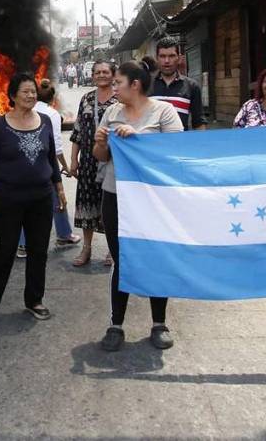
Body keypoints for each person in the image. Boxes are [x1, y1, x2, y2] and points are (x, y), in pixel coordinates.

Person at [93, 60, 184, 350]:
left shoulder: (163, 111)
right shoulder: (111, 112)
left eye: (118, 82)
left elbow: (175, 153)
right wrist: (100, 142)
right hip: (115, 195)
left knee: (155, 257)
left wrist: (139, 140)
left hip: (153, 199)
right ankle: (116, 325)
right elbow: (100, 157)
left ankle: (159, 323)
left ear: (135, 84)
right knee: (122, 260)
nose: (114, 87)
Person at [0, 73, 66, 322]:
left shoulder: (46, 121)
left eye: (33, 91)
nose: (31, 95)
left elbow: (51, 161)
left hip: (41, 197)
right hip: (8, 198)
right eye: (25, 91)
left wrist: (59, 189)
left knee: (39, 250)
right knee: (5, 248)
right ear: (12, 96)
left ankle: (34, 299)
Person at [15, 78, 80, 258]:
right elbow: (56, 147)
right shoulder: (51, 114)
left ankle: (23, 243)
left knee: (25, 202)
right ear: (53, 99)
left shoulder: (25, 110)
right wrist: (66, 167)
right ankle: (64, 235)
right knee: (58, 198)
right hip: (44, 166)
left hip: (23, 164)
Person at [69, 60, 118, 266]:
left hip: (113, 162)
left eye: (105, 72)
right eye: (97, 72)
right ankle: (86, 248)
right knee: (87, 204)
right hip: (88, 162)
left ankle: (111, 250)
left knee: (111, 206)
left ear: (113, 74)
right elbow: (78, 131)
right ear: (92, 75)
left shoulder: (120, 99)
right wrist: (73, 160)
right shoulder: (87, 99)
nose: (101, 75)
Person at [150, 36, 206, 131]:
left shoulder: (192, 86)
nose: (167, 61)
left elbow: (199, 123)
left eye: (171, 56)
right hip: (151, 144)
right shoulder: (146, 84)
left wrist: (202, 145)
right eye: (162, 56)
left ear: (179, 58)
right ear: (157, 58)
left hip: (180, 144)